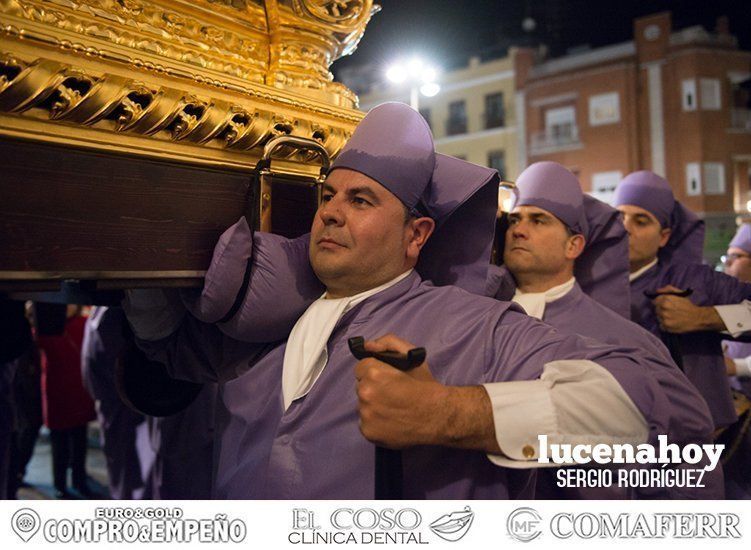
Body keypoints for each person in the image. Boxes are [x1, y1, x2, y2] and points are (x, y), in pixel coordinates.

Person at [125, 103, 701, 499]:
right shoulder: (273, 318)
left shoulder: (471, 325)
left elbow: (652, 410)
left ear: (417, 235)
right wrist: (137, 257)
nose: (330, 211)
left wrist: (453, 414)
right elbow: (171, 354)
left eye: (362, 200)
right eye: (328, 196)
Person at [486, 161, 718, 498]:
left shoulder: (626, 339)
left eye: (539, 220)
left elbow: (690, 450)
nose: (519, 230)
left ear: (574, 246)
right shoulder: (481, 320)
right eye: (515, 220)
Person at [614, 171, 751, 432]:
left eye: (641, 221)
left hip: (686, 437)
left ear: (664, 236)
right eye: (619, 217)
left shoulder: (694, 281)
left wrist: (704, 318)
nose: (625, 229)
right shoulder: (588, 281)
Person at [82, 306, 154, 499]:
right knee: (123, 463)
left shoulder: (104, 316)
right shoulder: (107, 316)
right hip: (115, 399)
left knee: (126, 463)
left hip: (117, 399)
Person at [36, 304, 96, 499]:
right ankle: (60, 484)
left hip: (78, 391)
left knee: (79, 442)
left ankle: (79, 480)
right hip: (57, 393)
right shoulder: (47, 328)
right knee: (59, 443)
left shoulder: (84, 323)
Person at [719, 223, 751, 499]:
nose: (728, 264)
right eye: (726, 257)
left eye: (736, 256)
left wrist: (737, 367)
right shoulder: (732, 305)